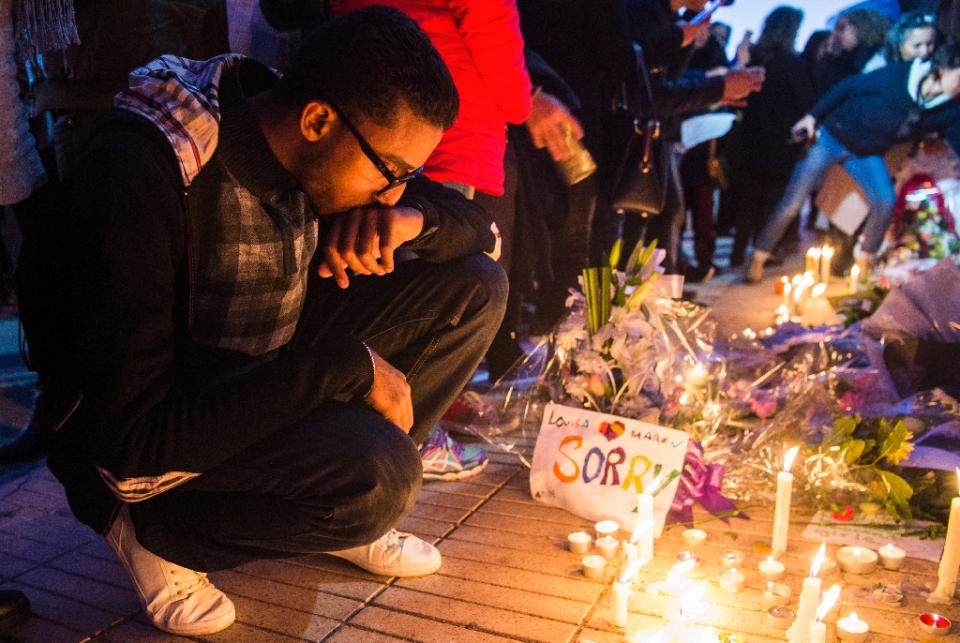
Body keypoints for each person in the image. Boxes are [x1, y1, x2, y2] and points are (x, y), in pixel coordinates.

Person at [47, 7, 506, 636]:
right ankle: (158, 533)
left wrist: (411, 221)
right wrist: (346, 366)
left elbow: (480, 230)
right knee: (377, 476)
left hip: (257, 363)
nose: (394, 192)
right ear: (319, 120)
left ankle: (341, 518)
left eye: (409, 176)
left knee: (473, 287)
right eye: (391, 172)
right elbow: (131, 443)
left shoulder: (281, 115)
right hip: (149, 428)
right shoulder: (147, 168)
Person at [746, 43, 960, 283]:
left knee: (885, 200)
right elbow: (848, 86)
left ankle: (863, 265)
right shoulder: (901, 75)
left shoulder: (951, 109)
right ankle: (758, 257)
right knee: (792, 203)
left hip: (866, 152)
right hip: (831, 136)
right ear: (944, 68)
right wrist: (811, 116)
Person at [727, 5, 814, 267]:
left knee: (748, 198)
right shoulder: (792, 63)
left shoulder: (754, 58)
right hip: (779, 142)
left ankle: (738, 251)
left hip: (749, 137)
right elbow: (806, 101)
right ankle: (760, 252)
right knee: (771, 199)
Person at [864, 10, 936, 71]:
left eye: (929, 44)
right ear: (899, 45)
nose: (925, 51)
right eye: (917, 46)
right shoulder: (878, 69)